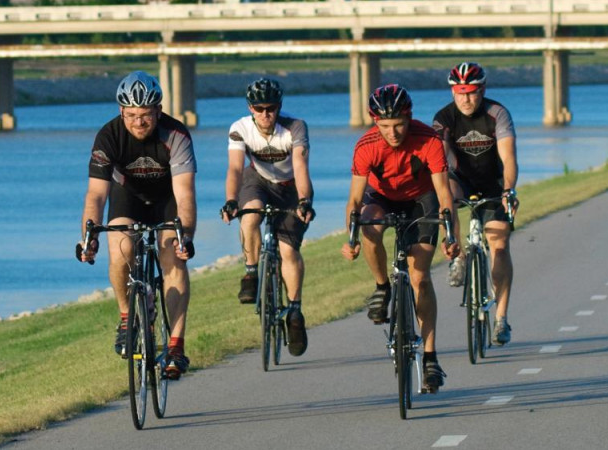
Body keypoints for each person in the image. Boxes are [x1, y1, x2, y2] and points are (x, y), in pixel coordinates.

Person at [77, 70, 198, 380]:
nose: (138, 122)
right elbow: (96, 195)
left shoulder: (176, 135)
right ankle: (126, 315)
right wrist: (89, 238)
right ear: (121, 112)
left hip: (167, 199)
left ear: (158, 110)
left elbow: (185, 196)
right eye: (131, 115)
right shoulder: (108, 136)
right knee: (120, 246)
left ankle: (175, 346)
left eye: (145, 115)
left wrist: (186, 237)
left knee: (171, 255)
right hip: (127, 199)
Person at [340, 84, 460, 393]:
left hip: (421, 199)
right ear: (375, 122)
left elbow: (444, 193)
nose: (393, 133)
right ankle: (382, 286)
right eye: (385, 127)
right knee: (370, 225)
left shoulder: (429, 140)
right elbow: (354, 202)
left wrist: (451, 235)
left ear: (409, 118)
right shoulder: (366, 145)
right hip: (382, 197)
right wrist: (351, 238)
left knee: (420, 276)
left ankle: (430, 357)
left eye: (399, 125)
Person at [219, 77, 314, 357]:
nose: (265, 114)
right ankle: (251, 273)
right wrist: (231, 200)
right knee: (250, 218)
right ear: (251, 108)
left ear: (279, 106)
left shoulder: (295, 128)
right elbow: (235, 170)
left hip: (290, 186)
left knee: (288, 249)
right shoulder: (240, 128)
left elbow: (301, 166)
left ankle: (294, 312)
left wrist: (305, 201)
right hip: (257, 181)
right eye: (258, 108)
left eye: (270, 108)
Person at [432, 62, 520, 347]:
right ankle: (458, 256)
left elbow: (509, 159)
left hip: (493, 183)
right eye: (459, 93)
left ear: (482, 90)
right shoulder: (443, 118)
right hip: (461, 179)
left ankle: (501, 318)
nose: (465, 100)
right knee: (446, 193)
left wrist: (508, 191)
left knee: (500, 245)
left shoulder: (497, 114)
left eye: (470, 93)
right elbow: (440, 163)